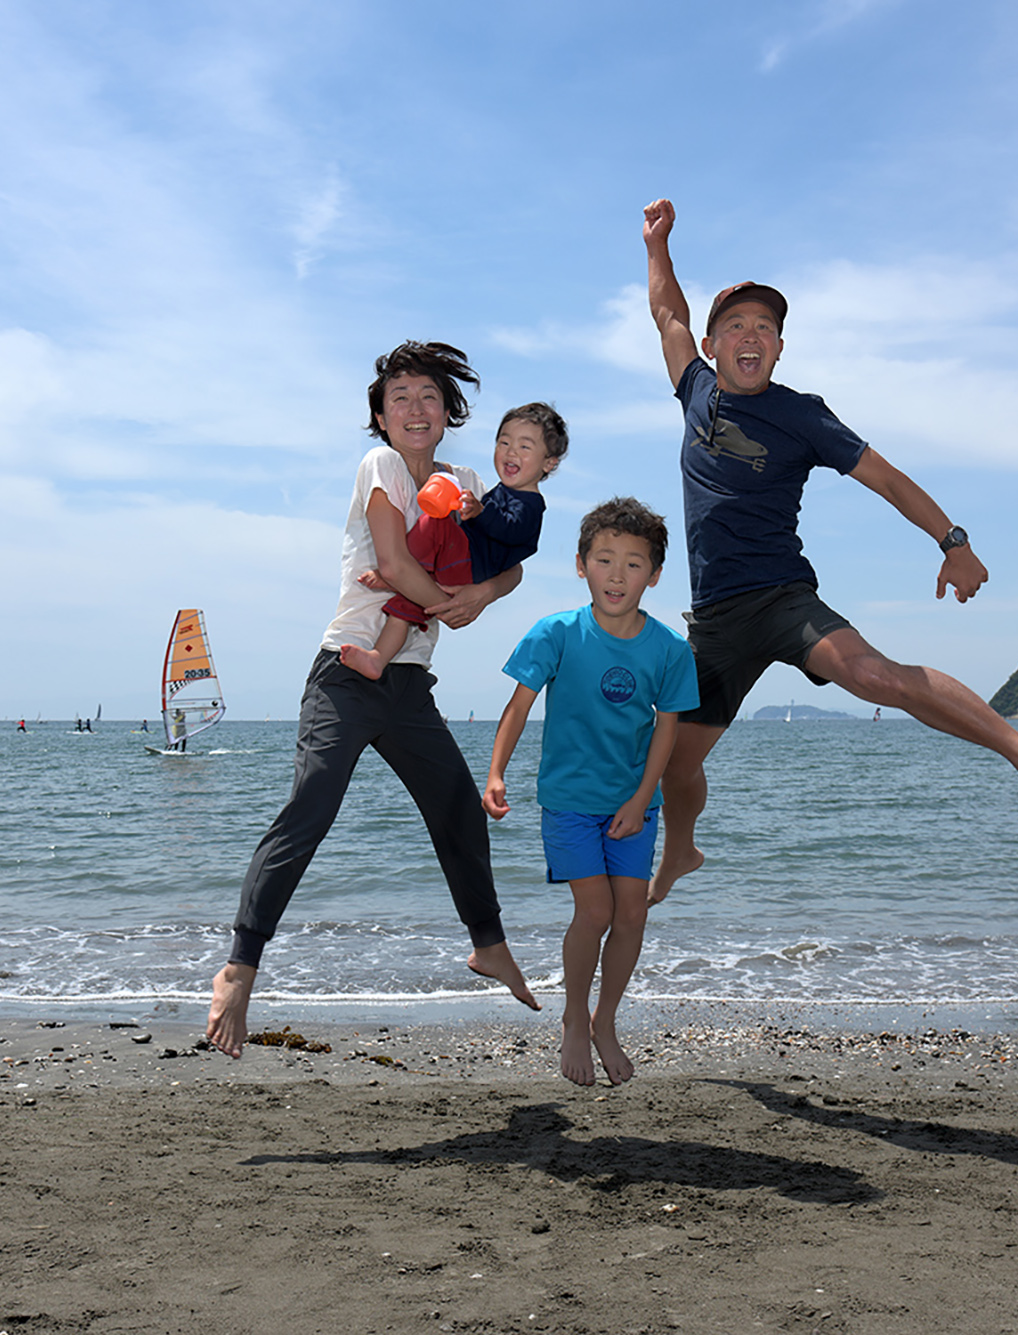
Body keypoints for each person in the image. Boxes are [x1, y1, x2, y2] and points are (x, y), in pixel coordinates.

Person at [640, 198, 1018, 904]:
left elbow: (885, 478)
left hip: (782, 599)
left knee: (874, 676)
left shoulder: (801, 414)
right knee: (674, 762)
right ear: (713, 344)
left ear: (780, 348)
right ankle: (682, 849)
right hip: (715, 622)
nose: (751, 334)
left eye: (765, 326)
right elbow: (667, 312)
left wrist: (953, 541)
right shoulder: (695, 389)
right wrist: (657, 246)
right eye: (735, 325)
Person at [207, 341, 540, 1057]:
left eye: (429, 396)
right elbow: (392, 562)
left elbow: (508, 565)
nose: (415, 409)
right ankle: (239, 966)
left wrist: (481, 594)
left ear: (448, 412)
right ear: (382, 418)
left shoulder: (465, 481)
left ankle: (488, 944)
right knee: (312, 806)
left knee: (457, 809)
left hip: (410, 683)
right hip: (347, 674)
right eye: (400, 399)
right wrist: (450, 599)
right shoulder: (380, 465)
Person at [483, 498, 699, 1087]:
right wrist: (496, 773)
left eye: (633, 563)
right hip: (569, 800)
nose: (617, 575)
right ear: (582, 566)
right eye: (604, 559)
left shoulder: (670, 650)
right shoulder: (555, 633)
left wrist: (642, 799)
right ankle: (574, 1018)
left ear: (654, 575)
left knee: (632, 913)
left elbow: (667, 730)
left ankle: (606, 1020)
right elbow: (518, 707)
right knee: (596, 911)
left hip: (634, 802)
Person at [340, 403, 568, 681]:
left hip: (469, 568)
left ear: (548, 463)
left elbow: (513, 533)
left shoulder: (531, 505)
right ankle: (378, 657)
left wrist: (479, 512)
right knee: (407, 606)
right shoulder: (503, 492)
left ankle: (396, 577)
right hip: (463, 564)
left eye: (524, 447)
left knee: (436, 522)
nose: (511, 452)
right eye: (504, 442)